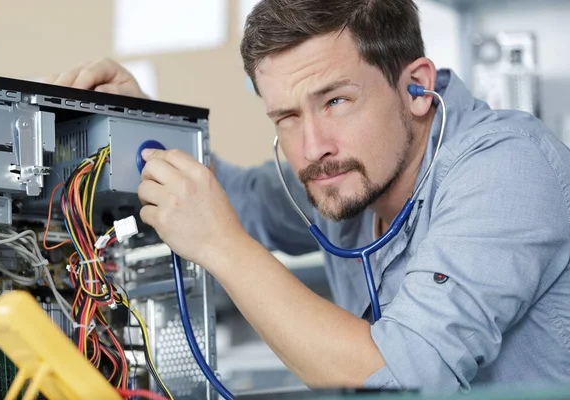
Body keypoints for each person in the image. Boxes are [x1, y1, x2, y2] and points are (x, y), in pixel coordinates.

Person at [46, 0, 570, 393]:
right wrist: (146, 123)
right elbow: (243, 203)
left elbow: (406, 374)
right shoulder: (348, 174)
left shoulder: (508, 166)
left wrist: (222, 247)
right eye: (287, 117)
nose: (313, 148)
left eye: (337, 100)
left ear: (415, 86)